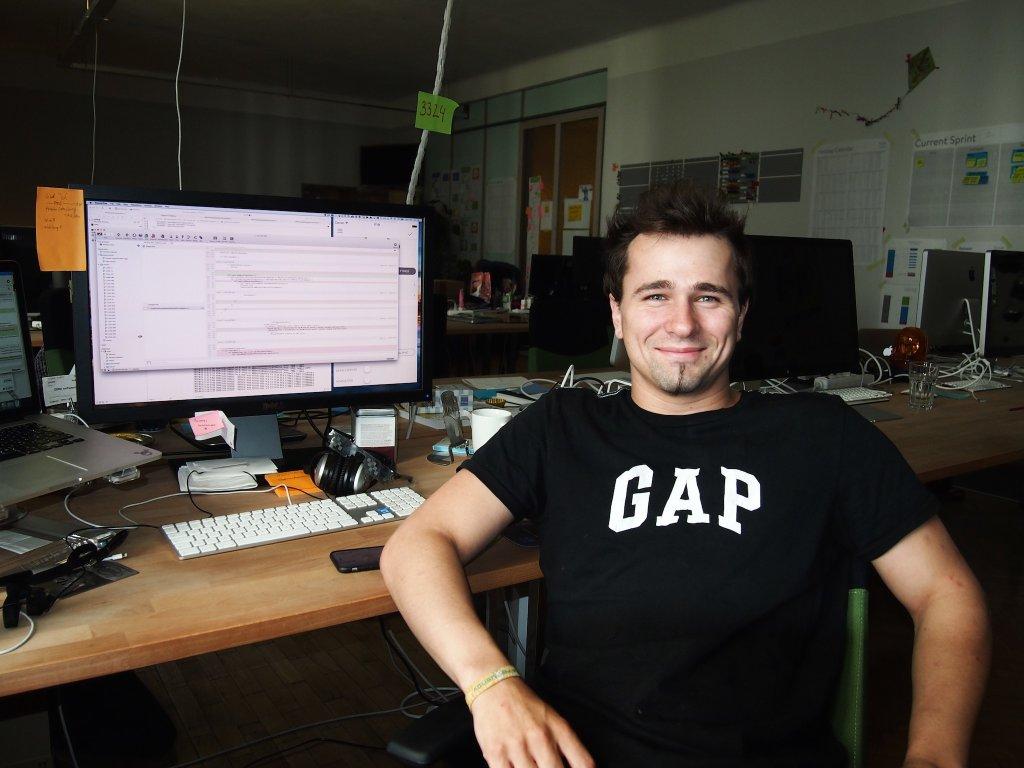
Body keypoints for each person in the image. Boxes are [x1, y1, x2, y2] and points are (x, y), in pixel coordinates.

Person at [381, 182, 990, 768]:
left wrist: (934, 756)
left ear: (741, 313)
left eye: (708, 296)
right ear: (616, 314)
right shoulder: (562, 426)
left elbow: (946, 594)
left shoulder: (822, 435)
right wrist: (491, 686)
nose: (681, 324)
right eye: (654, 295)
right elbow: (416, 546)